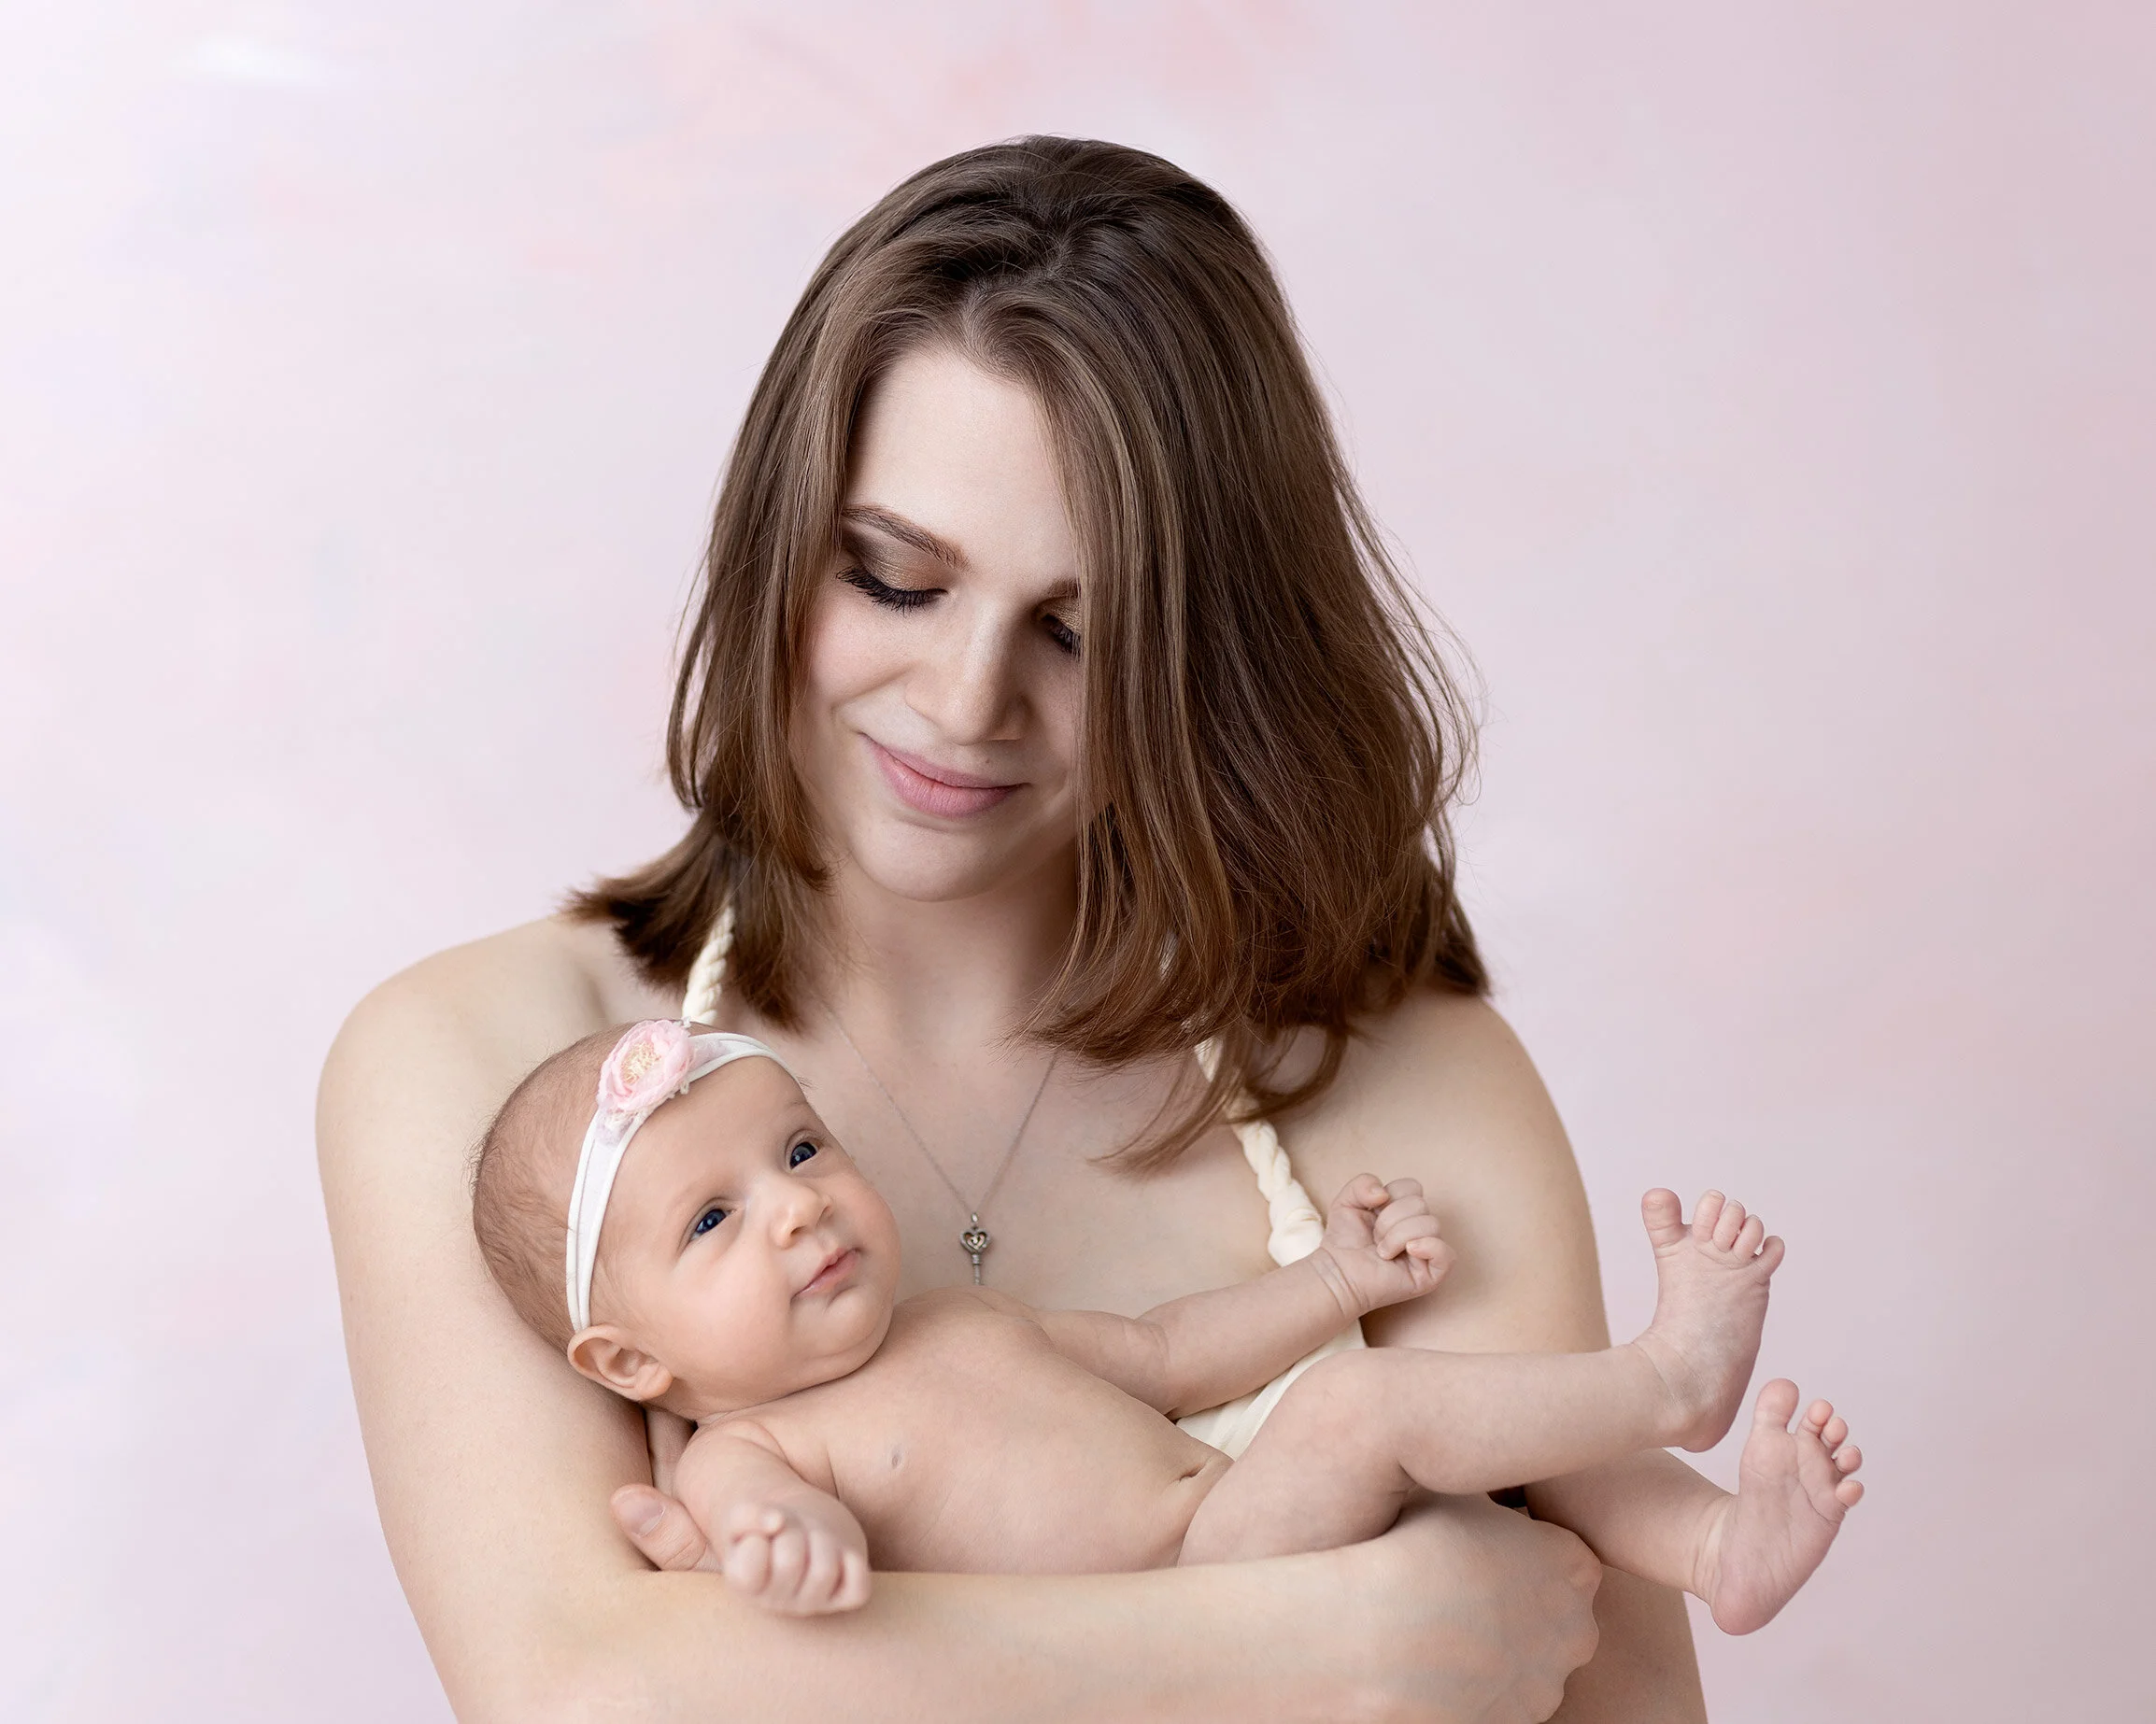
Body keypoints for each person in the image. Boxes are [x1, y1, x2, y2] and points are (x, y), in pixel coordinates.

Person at [319, 135, 1733, 1720]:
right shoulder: (478, 1072)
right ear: (779, 541)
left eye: (1078, 631)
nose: (964, 700)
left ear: (1209, 666)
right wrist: (1330, 1647)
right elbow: (575, 1689)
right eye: (893, 578)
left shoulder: (1419, 1085)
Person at [470, 1018, 1860, 1624]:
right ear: (634, 1360)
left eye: (801, 1151)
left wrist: (1338, 1283)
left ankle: (1710, 1542)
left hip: (1246, 1508)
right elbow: (811, 1559)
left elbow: (1169, 1353)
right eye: (710, 1221)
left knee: (1466, 1404)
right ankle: (1673, 1377)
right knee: (1366, 1411)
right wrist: (788, 1550)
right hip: (1188, 1594)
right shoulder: (744, 1455)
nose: (793, 1209)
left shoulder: (959, 1320)